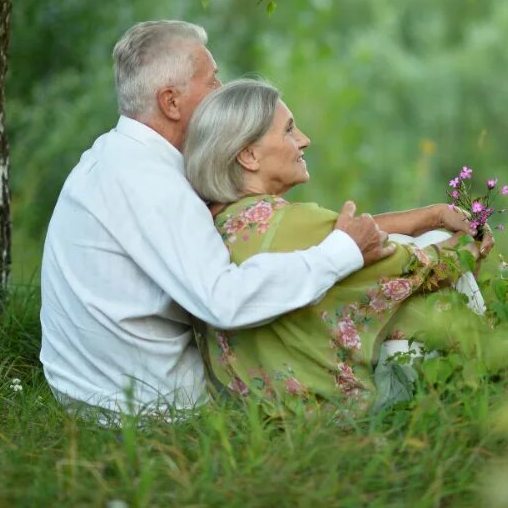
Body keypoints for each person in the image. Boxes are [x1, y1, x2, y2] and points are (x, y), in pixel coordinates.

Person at [39, 21, 395, 419]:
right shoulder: (153, 185)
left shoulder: (113, 156)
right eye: (212, 81)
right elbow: (225, 301)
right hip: (143, 408)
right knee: (335, 322)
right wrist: (342, 252)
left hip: (90, 386)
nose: (222, 92)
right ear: (171, 102)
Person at [184, 78, 492, 411]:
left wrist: (431, 215)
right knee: (432, 262)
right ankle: (485, 379)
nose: (304, 140)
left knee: (422, 238)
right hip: (335, 413)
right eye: (289, 131)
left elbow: (352, 233)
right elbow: (420, 265)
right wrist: (470, 245)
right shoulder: (293, 223)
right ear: (248, 155)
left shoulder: (223, 226)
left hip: (265, 414)